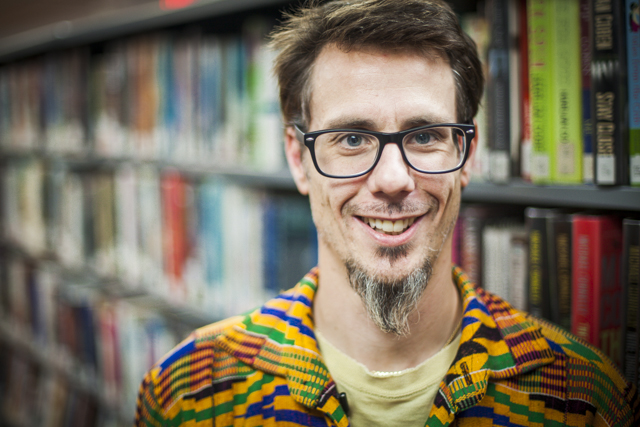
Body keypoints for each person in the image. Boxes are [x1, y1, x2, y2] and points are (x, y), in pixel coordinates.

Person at [135, 0, 640, 425]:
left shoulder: (588, 400)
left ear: (468, 155)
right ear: (299, 158)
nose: (394, 180)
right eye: (352, 139)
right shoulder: (190, 393)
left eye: (425, 136)